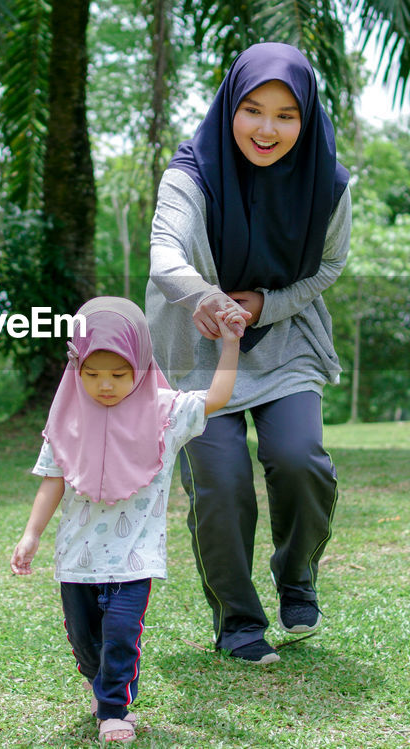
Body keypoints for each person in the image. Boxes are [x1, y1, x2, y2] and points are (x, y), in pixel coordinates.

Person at [145, 42, 352, 665]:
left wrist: (262, 303)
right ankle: (237, 621)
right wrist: (204, 297)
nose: (268, 129)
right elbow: (163, 254)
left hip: (284, 341)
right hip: (197, 350)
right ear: (230, 105)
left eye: (286, 115)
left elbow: (330, 266)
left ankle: (298, 576)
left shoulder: (330, 183)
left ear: (306, 118)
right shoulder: (191, 174)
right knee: (222, 481)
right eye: (253, 110)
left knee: (300, 460)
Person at [10, 296, 245, 744]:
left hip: (135, 554)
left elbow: (216, 397)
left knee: (120, 633)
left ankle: (115, 707)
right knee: (84, 641)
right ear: (75, 367)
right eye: (92, 374)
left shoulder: (165, 411)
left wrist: (231, 344)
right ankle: (101, 684)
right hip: (77, 557)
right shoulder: (67, 416)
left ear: (141, 361)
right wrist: (31, 534)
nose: (105, 386)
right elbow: (52, 479)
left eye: (120, 374)